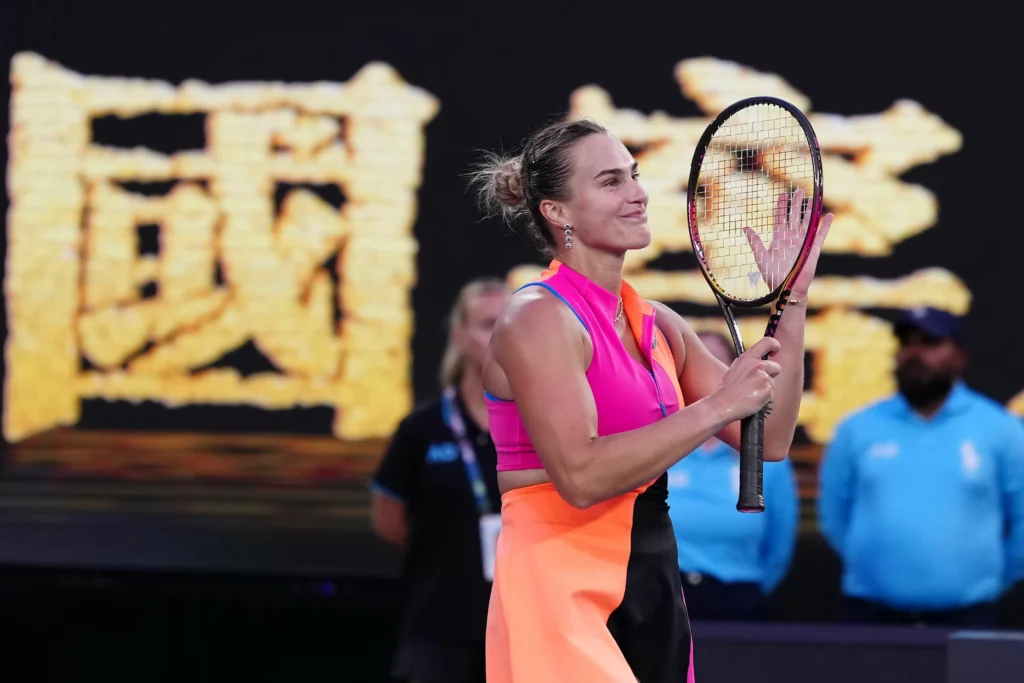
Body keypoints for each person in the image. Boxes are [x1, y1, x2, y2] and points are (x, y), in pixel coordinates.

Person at [469, 118, 833, 683]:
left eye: (634, 175)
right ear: (557, 211)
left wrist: (793, 300)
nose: (638, 193)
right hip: (560, 580)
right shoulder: (537, 317)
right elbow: (580, 476)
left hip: (653, 575)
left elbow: (770, 440)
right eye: (610, 181)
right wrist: (716, 407)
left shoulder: (658, 324)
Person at [818, 307, 1024, 627]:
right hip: (871, 615)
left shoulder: (1001, 429)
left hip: (968, 615)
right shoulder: (856, 428)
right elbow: (834, 517)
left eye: (930, 343)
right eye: (907, 343)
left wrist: (987, 581)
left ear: (960, 355)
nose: (915, 353)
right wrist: (876, 569)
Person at [369, 277, 509, 683]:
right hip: (439, 625)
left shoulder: (541, 422)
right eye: (488, 324)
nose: (501, 335)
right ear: (459, 335)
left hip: (522, 623)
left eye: (509, 323)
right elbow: (389, 520)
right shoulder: (422, 428)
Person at [667, 331, 799, 622]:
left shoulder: (766, 453)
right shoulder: (656, 438)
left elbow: (780, 544)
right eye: (691, 364)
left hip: (736, 600)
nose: (701, 373)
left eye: (715, 362)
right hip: (661, 596)